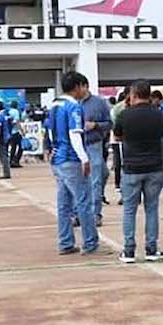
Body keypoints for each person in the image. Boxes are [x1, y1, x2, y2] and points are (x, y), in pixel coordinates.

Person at [44, 71, 98, 255]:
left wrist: (51, 148)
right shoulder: (74, 107)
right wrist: (84, 158)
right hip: (72, 159)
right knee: (83, 202)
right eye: (84, 86)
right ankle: (90, 242)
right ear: (77, 87)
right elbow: (75, 134)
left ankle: (65, 241)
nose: (85, 90)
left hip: (58, 158)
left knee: (63, 203)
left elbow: (50, 131)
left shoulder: (54, 105)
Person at [113, 79, 163, 262]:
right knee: (152, 209)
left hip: (131, 167)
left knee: (129, 210)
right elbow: (162, 135)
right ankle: (151, 249)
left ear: (133, 94)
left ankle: (129, 250)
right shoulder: (158, 114)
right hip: (154, 166)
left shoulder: (124, 115)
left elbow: (118, 135)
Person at [79, 78, 112, 226]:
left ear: (86, 86)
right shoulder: (73, 103)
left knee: (97, 178)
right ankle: (80, 212)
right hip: (78, 145)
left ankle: (95, 213)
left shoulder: (99, 102)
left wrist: (95, 125)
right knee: (84, 179)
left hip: (94, 144)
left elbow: (109, 123)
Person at [0, 101, 12, 179]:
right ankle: (7, 171)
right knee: (6, 155)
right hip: (8, 136)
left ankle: (6, 173)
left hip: (2, 137)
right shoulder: (7, 114)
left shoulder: (0, 116)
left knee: (3, 156)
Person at [7, 100, 24, 167]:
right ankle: (16, 161)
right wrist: (22, 130)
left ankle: (11, 161)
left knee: (13, 147)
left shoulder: (9, 112)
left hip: (10, 132)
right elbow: (17, 121)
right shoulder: (16, 112)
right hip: (16, 132)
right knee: (21, 147)